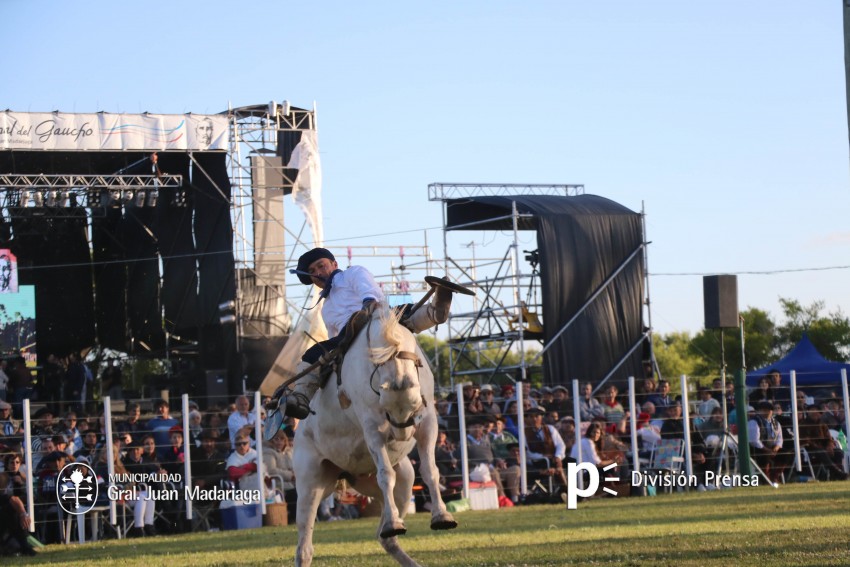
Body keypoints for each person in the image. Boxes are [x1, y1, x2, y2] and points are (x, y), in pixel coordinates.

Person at [277, 247, 456, 420]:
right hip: (347, 334)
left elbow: (367, 289)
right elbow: (333, 336)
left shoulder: (351, 273)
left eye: (321, 266)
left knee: (404, 313)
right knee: (312, 354)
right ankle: (301, 397)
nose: (318, 272)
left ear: (334, 264)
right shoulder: (326, 308)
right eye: (312, 271)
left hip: (373, 315)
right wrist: (333, 357)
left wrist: (369, 302)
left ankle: (435, 311)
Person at [465, 415, 520, 501]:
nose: (478, 429)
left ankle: (515, 498)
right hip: (477, 471)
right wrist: (482, 465)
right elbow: (463, 461)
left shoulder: (486, 438)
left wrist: (499, 460)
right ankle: (503, 499)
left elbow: (493, 453)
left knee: (515, 469)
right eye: (475, 427)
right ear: (469, 428)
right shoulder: (465, 442)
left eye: (480, 427)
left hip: (493, 468)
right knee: (493, 472)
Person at [523, 407, 568, 491]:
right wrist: (543, 457)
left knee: (561, 464)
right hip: (536, 461)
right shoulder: (524, 433)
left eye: (536, 416)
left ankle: (566, 490)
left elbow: (561, 445)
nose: (534, 419)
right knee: (549, 463)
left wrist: (557, 456)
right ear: (527, 419)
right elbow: (527, 452)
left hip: (553, 459)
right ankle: (564, 491)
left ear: (541, 417)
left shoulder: (550, 429)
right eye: (531, 417)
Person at [122, 438, 159, 537]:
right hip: (128, 494)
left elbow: (155, 470)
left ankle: (149, 524)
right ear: (129, 452)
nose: (135, 452)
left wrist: (159, 473)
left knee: (149, 495)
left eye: (137, 449)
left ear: (142, 450)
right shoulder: (125, 464)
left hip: (141, 490)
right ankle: (139, 528)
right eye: (132, 450)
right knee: (142, 497)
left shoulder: (147, 461)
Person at [748, 400, 786, 482]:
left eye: (770, 410)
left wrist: (776, 448)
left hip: (771, 448)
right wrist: (768, 450)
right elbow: (754, 441)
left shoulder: (776, 423)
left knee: (785, 454)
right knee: (763, 457)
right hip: (758, 449)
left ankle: (775, 475)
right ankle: (766, 478)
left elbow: (780, 439)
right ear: (759, 411)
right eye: (764, 410)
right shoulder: (754, 421)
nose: (768, 412)